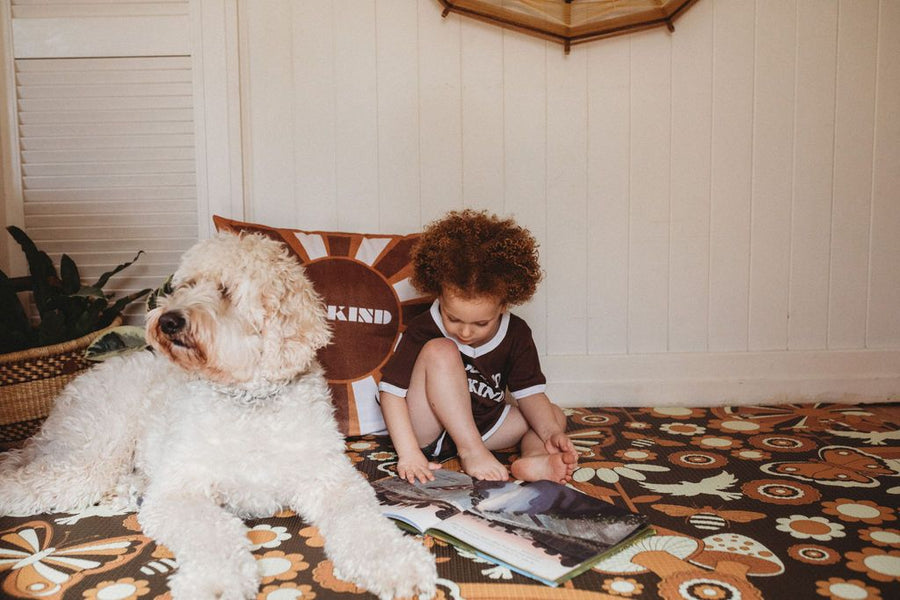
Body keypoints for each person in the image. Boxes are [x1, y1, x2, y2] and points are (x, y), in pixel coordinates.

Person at [378, 210, 578, 485]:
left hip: (485, 427)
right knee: (442, 349)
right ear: (440, 295)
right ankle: (471, 451)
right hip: (429, 431)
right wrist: (409, 452)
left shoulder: (517, 333)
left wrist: (551, 434)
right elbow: (391, 393)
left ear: (503, 306)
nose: (465, 331)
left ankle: (533, 459)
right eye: (453, 318)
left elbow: (530, 395)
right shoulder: (423, 328)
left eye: (481, 323)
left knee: (551, 415)